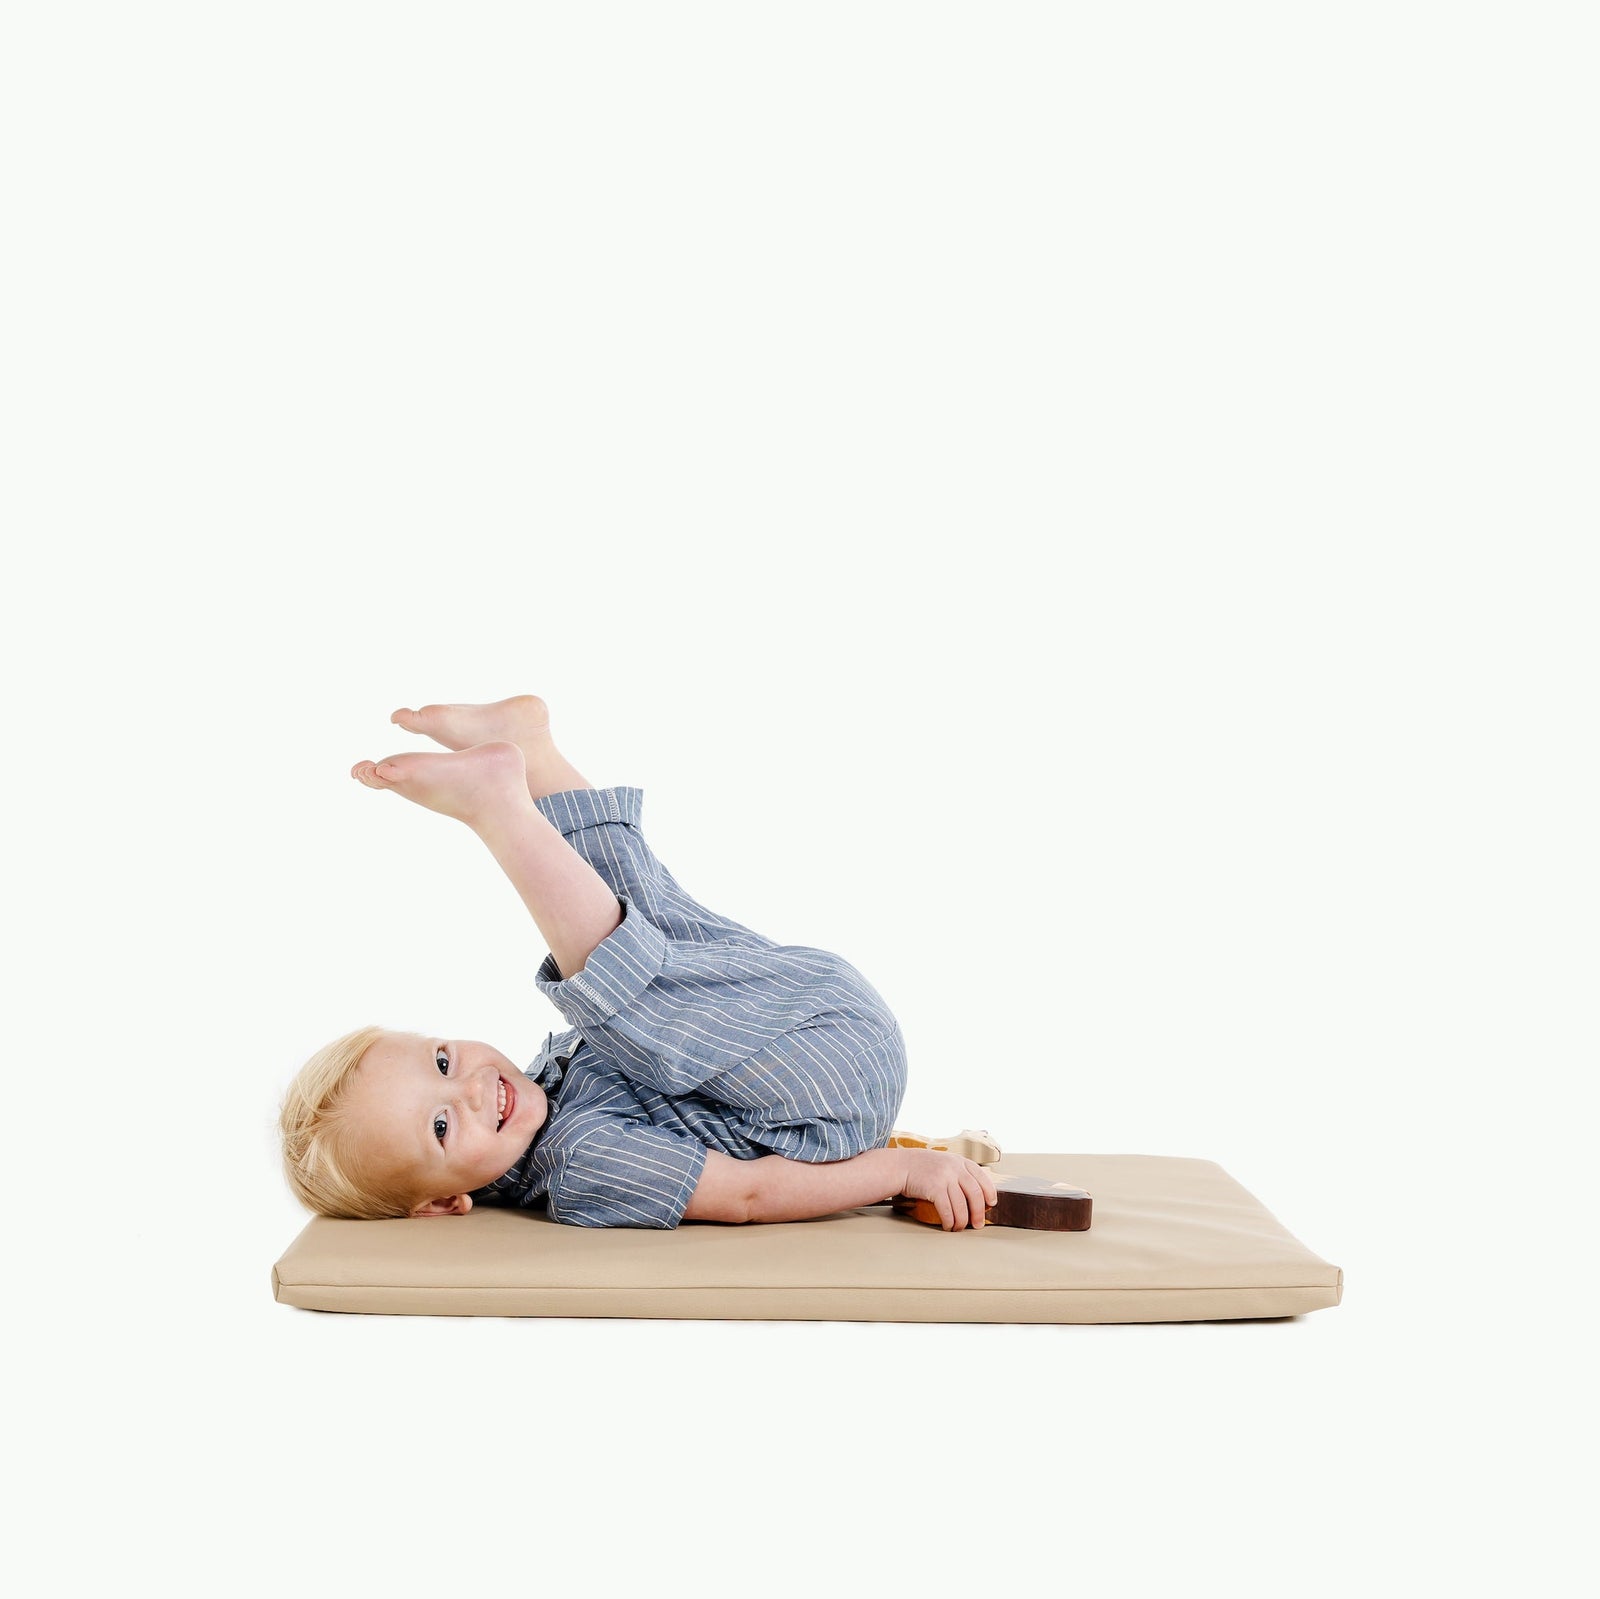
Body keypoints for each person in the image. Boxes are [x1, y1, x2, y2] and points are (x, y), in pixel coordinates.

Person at [279, 695, 1000, 1232]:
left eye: (441, 1061)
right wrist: (904, 1168)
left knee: (647, 921)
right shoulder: (580, 1160)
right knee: (636, 998)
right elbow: (750, 1193)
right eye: (441, 1128)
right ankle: (503, 810)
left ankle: (533, 753)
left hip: (796, 1016)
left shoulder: (546, 1083)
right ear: (443, 1201)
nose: (469, 1090)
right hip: (825, 1092)